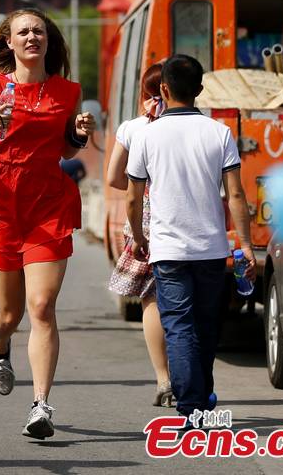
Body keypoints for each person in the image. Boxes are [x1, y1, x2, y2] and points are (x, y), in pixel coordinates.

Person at [0, 8, 96, 439]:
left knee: (41, 307)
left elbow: (67, 151)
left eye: (39, 31)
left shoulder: (68, 91)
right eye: (23, 32)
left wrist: (79, 134)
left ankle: (41, 405)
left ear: (47, 41)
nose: (32, 37)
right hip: (0, 206)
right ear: (9, 42)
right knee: (10, 313)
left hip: (48, 205)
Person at [126, 54, 255, 422]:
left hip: (167, 249)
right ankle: (200, 399)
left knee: (179, 326)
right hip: (211, 249)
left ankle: (191, 405)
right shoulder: (220, 133)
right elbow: (236, 194)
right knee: (206, 326)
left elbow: (133, 197)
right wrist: (244, 243)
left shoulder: (147, 135)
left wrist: (139, 237)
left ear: (163, 89)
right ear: (200, 90)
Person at [105, 61, 171, 407]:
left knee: (153, 300)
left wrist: (142, 185)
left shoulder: (133, 128)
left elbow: (115, 178)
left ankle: (164, 378)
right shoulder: (202, 125)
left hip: (146, 220)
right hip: (193, 221)